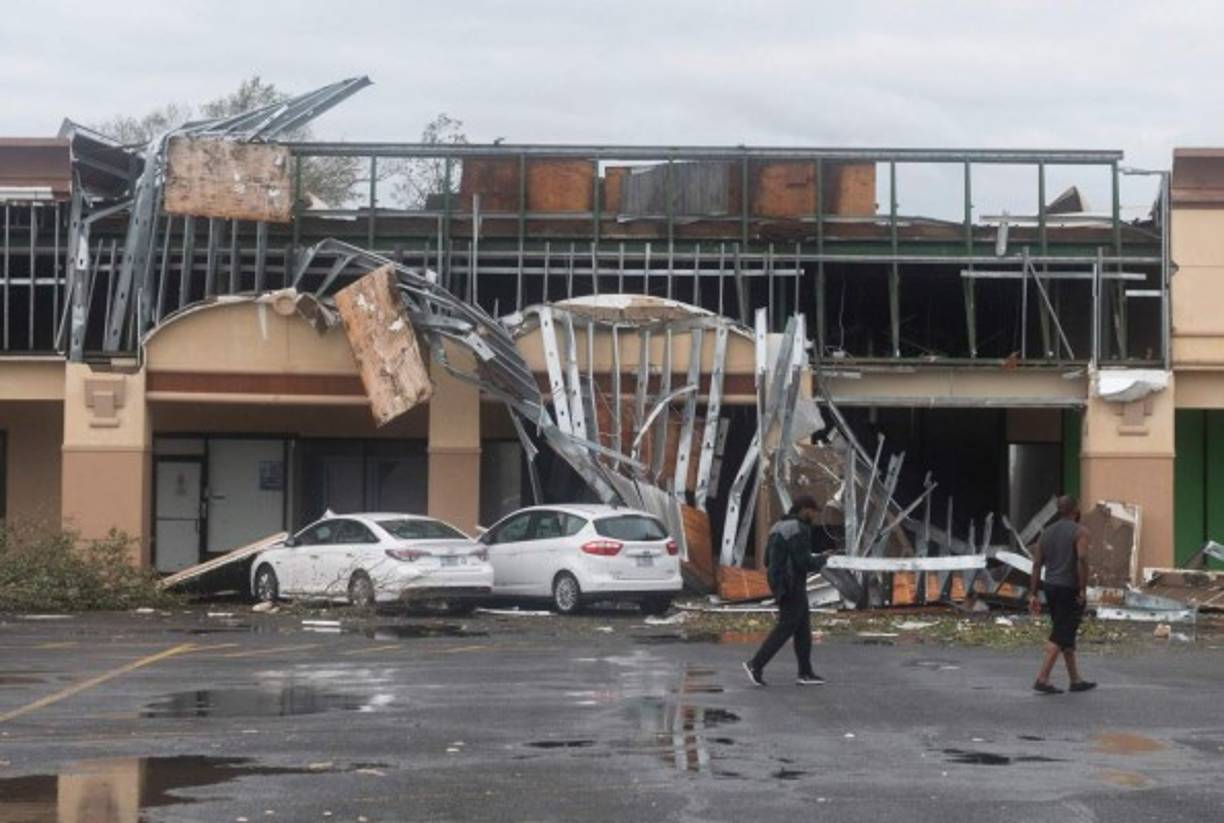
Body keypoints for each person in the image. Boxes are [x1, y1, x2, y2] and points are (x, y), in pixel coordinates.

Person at [743, 494, 831, 687]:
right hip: (791, 583)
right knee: (786, 627)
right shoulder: (799, 528)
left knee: (802, 630)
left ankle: (805, 673)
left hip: (780, 581)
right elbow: (803, 562)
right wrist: (823, 560)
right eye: (813, 513)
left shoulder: (778, 526)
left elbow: (767, 559)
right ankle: (755, 664)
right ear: (805, 510)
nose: (814, 517)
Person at [1029, 495, 1097, 695]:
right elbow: (1082, 559)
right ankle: (1042, 678)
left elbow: (1036, 564)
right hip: (1070, 588)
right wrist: (1083, 588)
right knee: (1060, 634)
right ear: (1076, 510)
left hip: (1051, 587)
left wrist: (1032, 593)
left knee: (1065, 632)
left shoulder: (1046, 533)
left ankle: (1075, 680)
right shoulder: (1080, 531)